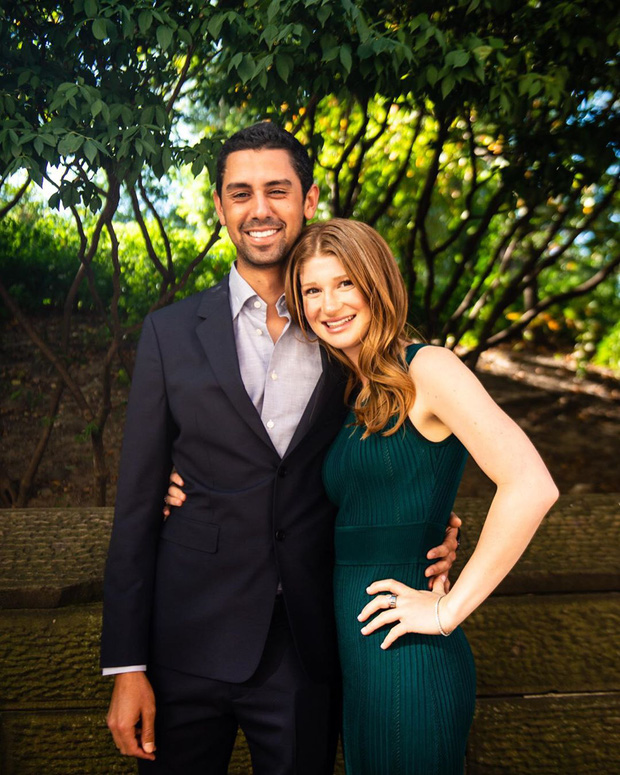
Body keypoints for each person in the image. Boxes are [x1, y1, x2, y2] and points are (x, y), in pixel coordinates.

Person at [101, 122, 459, 775]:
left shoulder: (346, 332)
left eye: (277, 190)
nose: (259, 209)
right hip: (184, 642)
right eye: (241, 193)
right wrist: (127, 664)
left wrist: (434, 523)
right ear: (220, 206)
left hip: (308, 643)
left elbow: (397, 452)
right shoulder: (168, 333)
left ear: (308, 199)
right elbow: (135, 507)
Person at [279, 218, 557, 773]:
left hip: (409, 656)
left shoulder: (428, 367)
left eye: (345, 283)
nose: (329, 305)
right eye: (312, 290)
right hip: (359, 657)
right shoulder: (350, 389)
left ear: (376, 284)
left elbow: (531, 484)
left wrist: (448, 611)